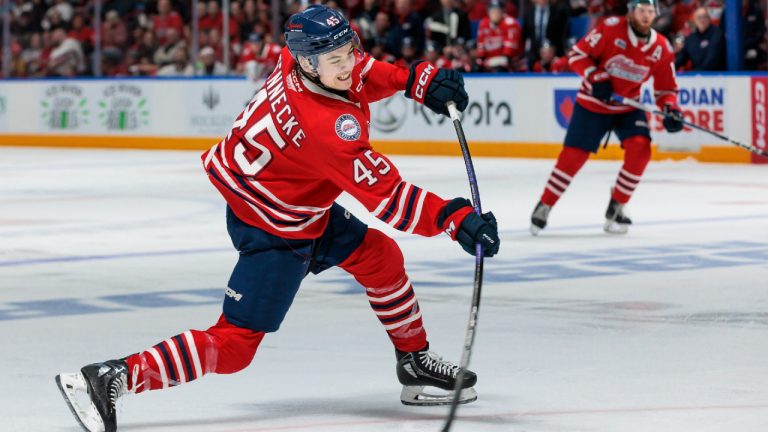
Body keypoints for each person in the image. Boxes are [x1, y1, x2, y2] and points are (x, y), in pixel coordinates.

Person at [55, 5, 500, 432]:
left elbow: (361, 71)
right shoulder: (326, 128)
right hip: (277, 227)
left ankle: (414, 363)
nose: (347, 65)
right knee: (233, 347)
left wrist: (415, 82)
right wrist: (454, 218)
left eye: (348, 51)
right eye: (334, 59)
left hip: (280, 200)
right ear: (309, 63)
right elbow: (390, 199)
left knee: (380, 257)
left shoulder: (296, 56)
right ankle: (110, 376)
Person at [530, 0, 683, 235]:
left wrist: (671, 109)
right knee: (572, 159)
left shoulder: (660, 47)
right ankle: (546, 203)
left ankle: (617, 205)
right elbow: (578, 55)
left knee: (641, 150)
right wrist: (595, 75)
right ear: (631, 11)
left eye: (650, 12)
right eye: (641, 11)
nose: (645, 16)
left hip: (627, 107)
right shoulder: (611, 28)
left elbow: (666, 89)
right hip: (593, 104)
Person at [674, 7, 725, 71]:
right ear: (694, 20)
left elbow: (712, 59)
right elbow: (681, 59)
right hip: (697, 77)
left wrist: (697, 73)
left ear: (709, 19)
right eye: (699, 17)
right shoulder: (691, 39)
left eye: (704, 17)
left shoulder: (717, 33)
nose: (702, 20)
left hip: (716, 76)